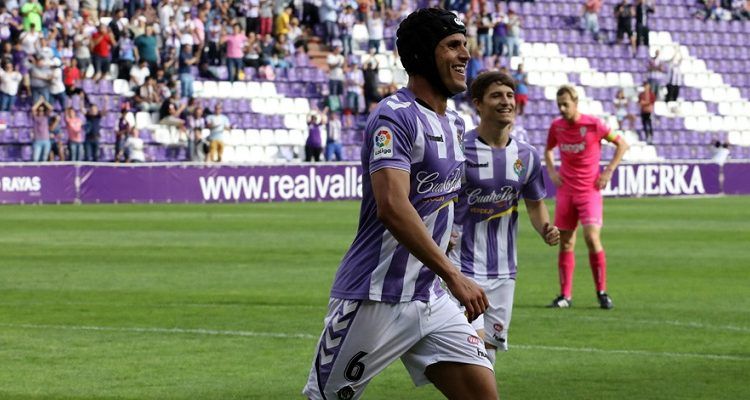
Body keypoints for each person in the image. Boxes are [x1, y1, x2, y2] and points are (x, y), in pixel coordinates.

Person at [303, 9, 497, 400]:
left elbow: (440, 203)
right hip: (375, 297)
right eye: (452, 46)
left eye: (465, 45)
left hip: (430, 297)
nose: (465, 54)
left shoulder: (456, 122)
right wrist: (454, 276)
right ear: (424, 54)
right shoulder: (394, 117)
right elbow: (392, 206)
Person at [448, 71, 560, 366]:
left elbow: (535, 205)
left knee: (489, 352)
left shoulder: (528, 156)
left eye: (509, 96)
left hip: (504, 272)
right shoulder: (458, 150)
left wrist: (545, 229)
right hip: (461, 266)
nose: (506, 101)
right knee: (469, 350)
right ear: (478, 105)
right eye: (496, 95)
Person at [545, 85, 629, 309]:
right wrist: (552, 171)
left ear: (576, 103)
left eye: (566, 104)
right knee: (566, 242)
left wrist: (608, 171)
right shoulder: (557, 127)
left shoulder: (594, 125)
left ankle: (602, 292)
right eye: (559, 105)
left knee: (592, 238)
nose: (562, 109)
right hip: (566, 192)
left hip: (589, 191)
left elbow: (622, 144)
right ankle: (565, 296)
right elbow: (548, 150)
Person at [31, 97, 52, 162]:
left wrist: (44, 102)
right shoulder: (35, 118)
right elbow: (33, 109)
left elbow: (51, 108)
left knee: (44, 158)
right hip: (37, 140)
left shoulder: (46, 117)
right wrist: (39, 101)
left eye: (42, 110)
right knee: (35, 159)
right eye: (39, 110)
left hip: (46, 140)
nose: (41, 112)